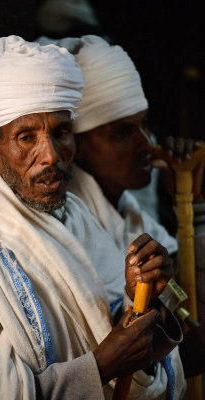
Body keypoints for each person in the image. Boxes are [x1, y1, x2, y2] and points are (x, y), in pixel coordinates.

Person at [0, 35, 185, 400]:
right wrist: (99, 368)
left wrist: (138, 301)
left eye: (61, 133)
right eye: (26, 137)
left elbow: (130, 343)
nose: (51, 155)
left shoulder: (77, 216)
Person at [37, 34, 205, 380]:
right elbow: (138, 363)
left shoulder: (130, 216)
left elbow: (192, 305)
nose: (148, 144)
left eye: (145, 124)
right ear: (74, 145)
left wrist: (193, 202)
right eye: (122, 133)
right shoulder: (67, 231)